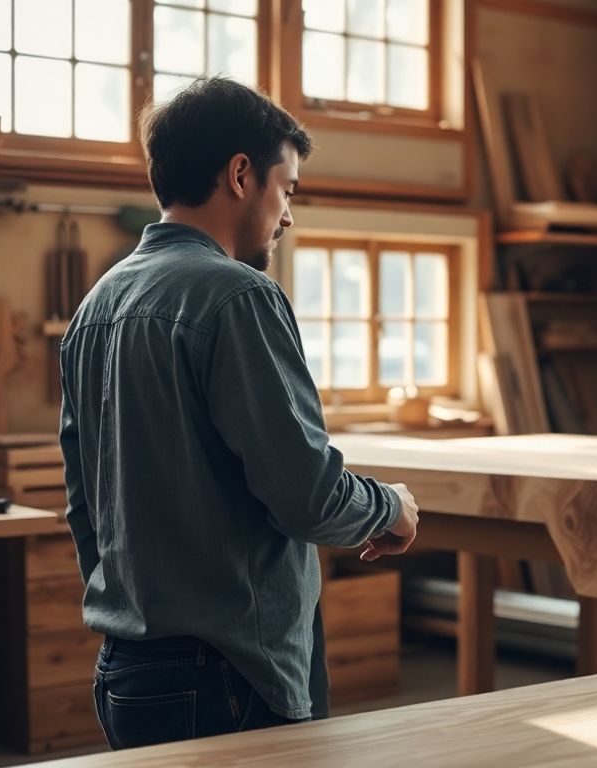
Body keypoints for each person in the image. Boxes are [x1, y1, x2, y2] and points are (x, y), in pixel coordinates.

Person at [58, 77, 419, 750]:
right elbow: (306, 497)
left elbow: (85, 504)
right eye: (287, 189)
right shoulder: (238, 297)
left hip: (127, 671)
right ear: (241, 174)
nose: (287, 215)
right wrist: (389, 506)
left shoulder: (96, 307)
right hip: (229, 679)